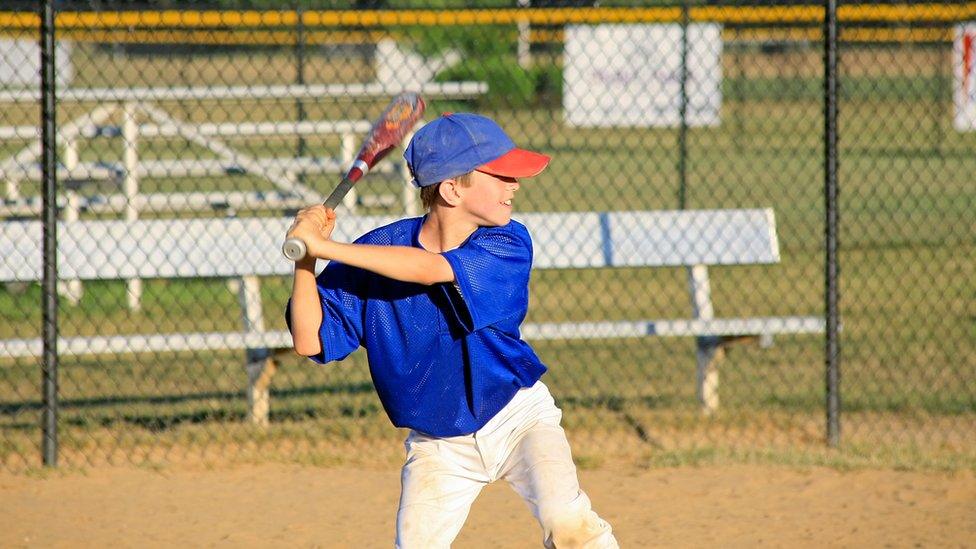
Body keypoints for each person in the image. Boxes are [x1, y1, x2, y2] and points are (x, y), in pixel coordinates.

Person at [285, 113, 618, 548]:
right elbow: (309, 340)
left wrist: (325, 246)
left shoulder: (507, 243)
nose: (514, 185)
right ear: (451, 188)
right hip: (438, 444)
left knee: (569, 523)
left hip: (517, 417)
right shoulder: (375, 252)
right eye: (500, 175)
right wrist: (306, 261)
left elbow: (429, 270)